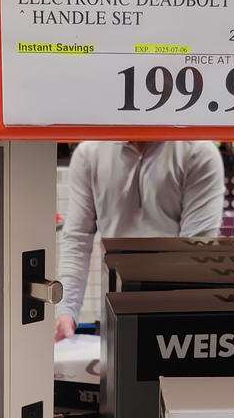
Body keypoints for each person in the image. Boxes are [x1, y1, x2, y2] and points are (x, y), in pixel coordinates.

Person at [55, 141, 225, 341]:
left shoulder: (198, 152)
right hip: (114, 309)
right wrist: (66, 310)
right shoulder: (89, 153)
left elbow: (196, 251)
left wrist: (180, 325)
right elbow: (77, 239)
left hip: (174, 316)